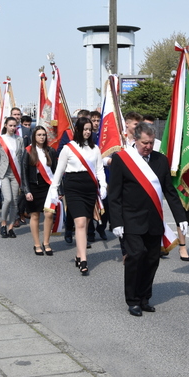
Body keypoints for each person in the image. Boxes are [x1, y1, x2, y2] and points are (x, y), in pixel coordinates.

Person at [109, 122, 187, 316]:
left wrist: (180, 217)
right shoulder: (122, 159)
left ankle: (144, 298)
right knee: (136, 255)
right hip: (131, 218)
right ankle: (133, 299)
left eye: (151, 143)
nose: (148, 147)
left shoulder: (161, 160)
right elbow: (114, 194)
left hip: (154, 219)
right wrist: (116, 221)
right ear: (135, 140)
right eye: (144, 143)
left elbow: (169, 191)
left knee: (152, 260)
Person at [48, 117, 107, 276]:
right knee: (80, 222)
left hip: (90, 188)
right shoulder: (68, 148)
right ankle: (84, 260)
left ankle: (78, 254)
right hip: (73, 186)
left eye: (89, 129)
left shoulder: (95, 149)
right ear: (78, 130)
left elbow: (99, 169)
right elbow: (59, 170)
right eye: (84, 129)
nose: (87, 132)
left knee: (86, 223)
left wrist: (103, 186)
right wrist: (54, 188)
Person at [21, 126, 57, 255]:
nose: (42, 137)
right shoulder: (29, 151)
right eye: (39, 135)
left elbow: (56, 171)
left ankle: (46, 242)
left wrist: (59, 189)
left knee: (49, 214)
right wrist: (26, 190)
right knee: (35, 215)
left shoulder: (51, 151)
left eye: (43, 135)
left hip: (47, 186)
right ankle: (37, 244)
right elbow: (23, 172)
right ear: (34, 137)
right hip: (33, 185)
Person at [0, 117, 25, 238]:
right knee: (7, 199)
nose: (12, 128)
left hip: (16, 174)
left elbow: (22, 159)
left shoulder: (20, 140)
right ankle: (3, 223)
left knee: (14, 202)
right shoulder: (0, 140)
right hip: (4, 173)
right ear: (6, 125)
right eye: (10, 125)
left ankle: (11, 227)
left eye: (14, 126)